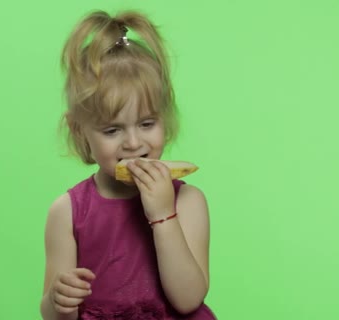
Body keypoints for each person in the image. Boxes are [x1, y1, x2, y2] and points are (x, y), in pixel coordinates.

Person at [40, 10, 216, 320]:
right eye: (112, 130)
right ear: (80, 131)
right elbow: (54, 315)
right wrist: (59, 300)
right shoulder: (67, 212)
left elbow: (188, 299)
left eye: (147, 123)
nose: (134, 143)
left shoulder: (188, 202)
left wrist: (163, 215)